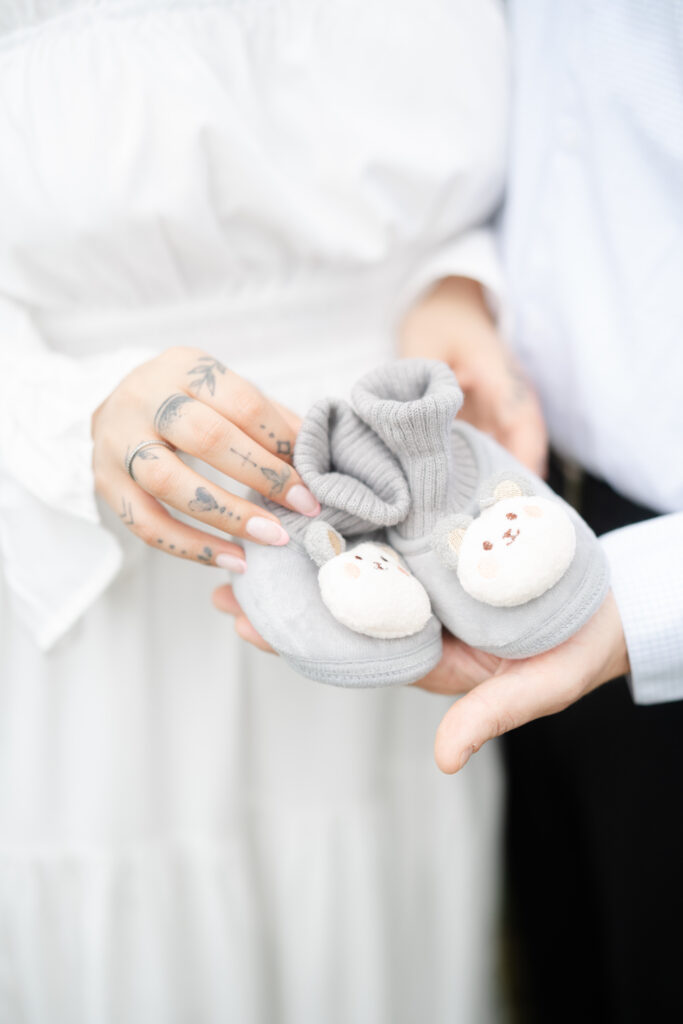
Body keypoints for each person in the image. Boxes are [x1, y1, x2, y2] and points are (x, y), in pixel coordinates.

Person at [0, 2, 510, 1021]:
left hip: (400, 561)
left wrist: (459, 284)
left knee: (378, 943)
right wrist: (68, 415)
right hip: (97, 585)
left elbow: (587, 142)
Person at [375, 3, 683, 1022]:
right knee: (565, 963)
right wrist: (467, 285)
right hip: (537, 503)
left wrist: (644, 602)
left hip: (655, 597)